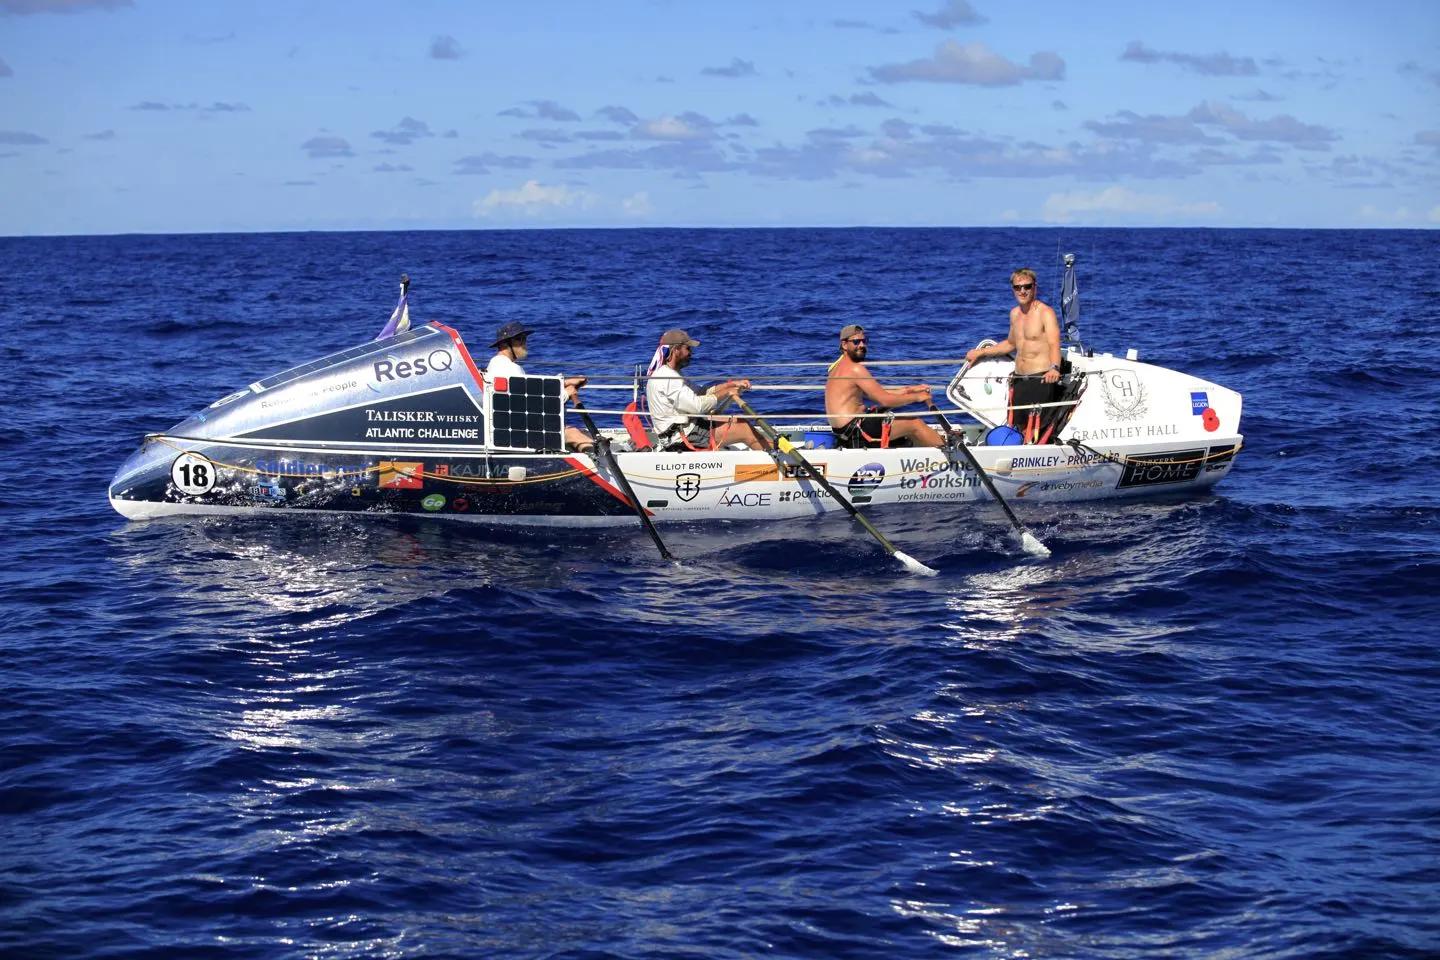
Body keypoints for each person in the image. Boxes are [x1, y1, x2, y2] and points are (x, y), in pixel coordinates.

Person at [965, 268, 1063, 444]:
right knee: (1019, 428)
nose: (1022, 291)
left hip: (1040, 379)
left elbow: (1054, 343)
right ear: (1013, 289)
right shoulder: (1014, 314)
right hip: (1019, 379)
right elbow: (1011, 343)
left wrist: (1055, 368)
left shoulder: (1045, 313)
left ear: (1035, 288)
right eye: (1018, 287)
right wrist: (981, 352)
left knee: (1035, 433)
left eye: (1027, 286)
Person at [645, 329, 769, 451]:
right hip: (683, 436)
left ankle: (775, 452)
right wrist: (727, 392)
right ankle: (778, 462)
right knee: (744, 429)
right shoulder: (670, 378)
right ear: (676, 350)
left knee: (741, 421)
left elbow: (701, 393)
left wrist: (730, 385)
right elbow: (697, 406)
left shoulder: (671, 373)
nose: (691, 353)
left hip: (686, 428)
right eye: (688, 348)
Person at [825, 324, 943, 448]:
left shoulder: (837, 367)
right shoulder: (855, 369)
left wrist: (909, 390)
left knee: (903, 426)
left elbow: (877, 391)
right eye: (856, 342)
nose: (861, 345)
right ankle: (953, 456)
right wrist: (917, 397)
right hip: (855, 431)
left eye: (864, 341)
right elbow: (885, 400)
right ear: (844, 345)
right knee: (915, 424)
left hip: (844, 431)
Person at [486, 320, 595, 454]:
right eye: (519, 339)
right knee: (573, 434)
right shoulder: (511, 369)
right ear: (504, 344)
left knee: (576, 431)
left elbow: (531, 390)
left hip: (513, 427)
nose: (524, 343)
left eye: (525, 339)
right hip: (521, 434)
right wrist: (566, 393)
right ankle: (600, 461)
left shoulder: (496, 364)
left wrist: (565, 383)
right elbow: (531, 405)